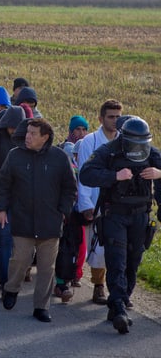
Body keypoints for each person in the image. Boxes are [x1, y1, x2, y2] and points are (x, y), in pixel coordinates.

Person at [79, 117, 161, 334]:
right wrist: (114, 176)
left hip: (140, 216)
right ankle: (118, 308)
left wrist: (159, 173)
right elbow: (86, 173)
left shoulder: (151, 153)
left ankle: (120, 302)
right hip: (115, 214)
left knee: (133, 261)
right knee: (117, 260)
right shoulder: (109, 151)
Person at [0, 118, 76, 323]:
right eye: (27, 132)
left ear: (45, 137)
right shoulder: (15, 156)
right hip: (22, 220)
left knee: (47, 267)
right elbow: (3, 183)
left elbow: (70, 188)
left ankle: (41, 306)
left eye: (33, 133)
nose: (27, 136)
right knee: (20, 260)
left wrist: (63, 211)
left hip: (50, 223)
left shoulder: (59, 157)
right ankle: (11, 289)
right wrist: (1, 209)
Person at [76, 99, 122, 305]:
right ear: (101, 118)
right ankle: (98, 285)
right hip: (97, 201)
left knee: (120, 247)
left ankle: (121, 290)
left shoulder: (126, 141)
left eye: (118, 117)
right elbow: (83, 176)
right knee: (99, 247)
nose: (115, 121)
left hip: (121, 203)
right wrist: (86, 205)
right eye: (111, 117)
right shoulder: (90, 142)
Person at [0, 105, 26, 286]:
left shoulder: (25, 140)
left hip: (19, 199)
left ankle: (15, 277)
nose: (14, 130)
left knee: (21, 243)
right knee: (3, 239)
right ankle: (4, 279)